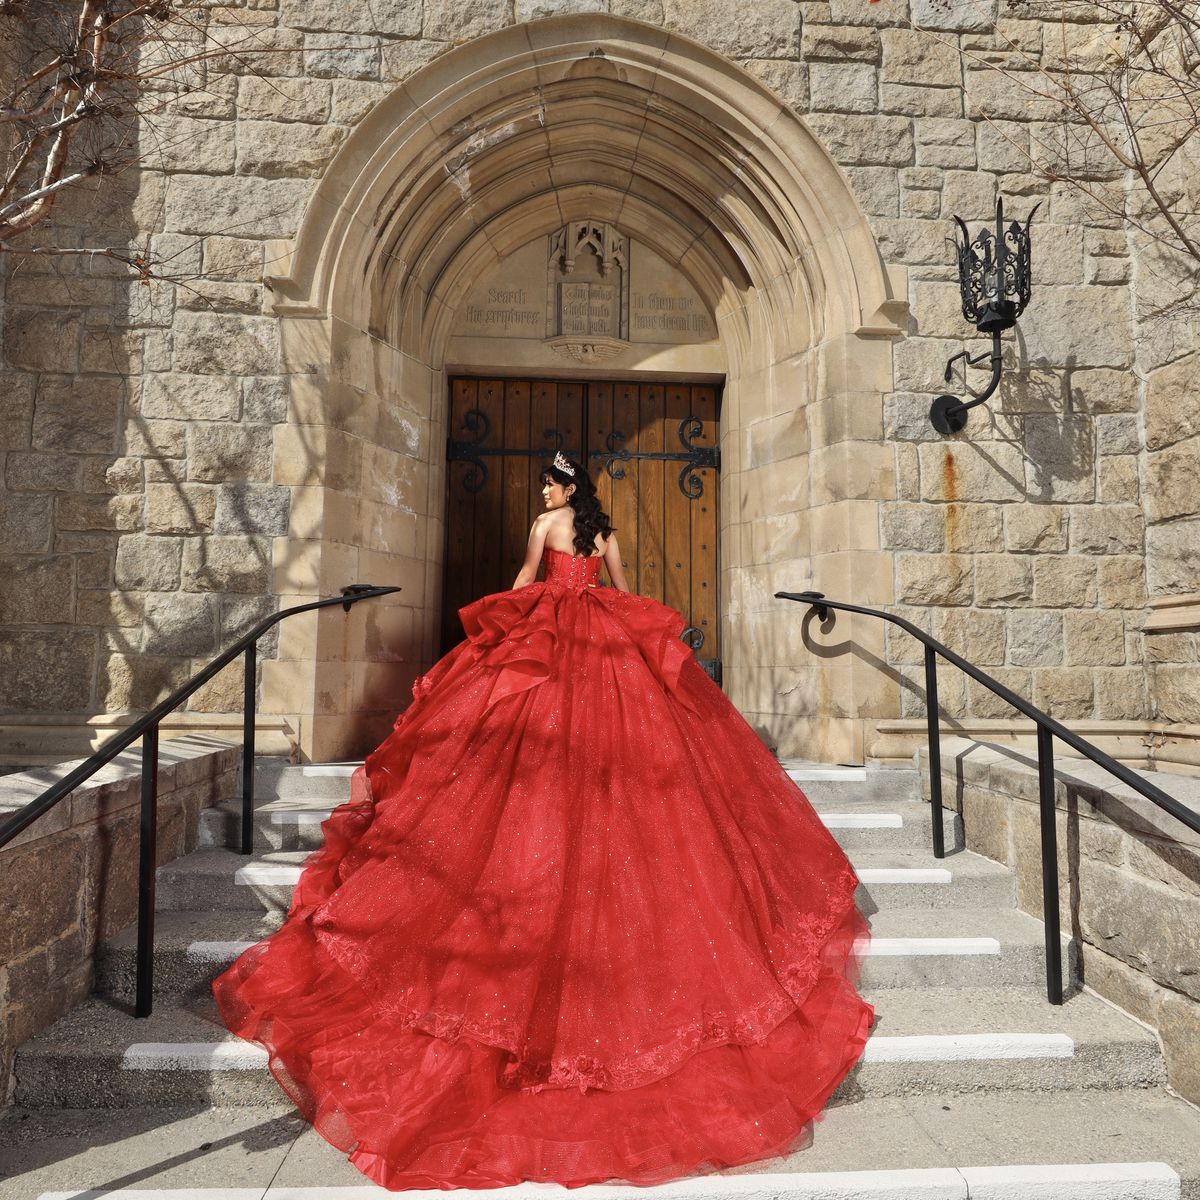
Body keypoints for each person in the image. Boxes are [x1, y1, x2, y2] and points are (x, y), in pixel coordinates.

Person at [213, 453, 873, 1191]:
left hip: (555, 644)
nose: (545, 492)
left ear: (567, 489)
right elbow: (628, 592)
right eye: (546, 485)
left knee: (531, 752)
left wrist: (496, 628)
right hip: (609, 648)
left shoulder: (546, 526)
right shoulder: (604, 531)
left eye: (552, 483)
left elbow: (528, 579)